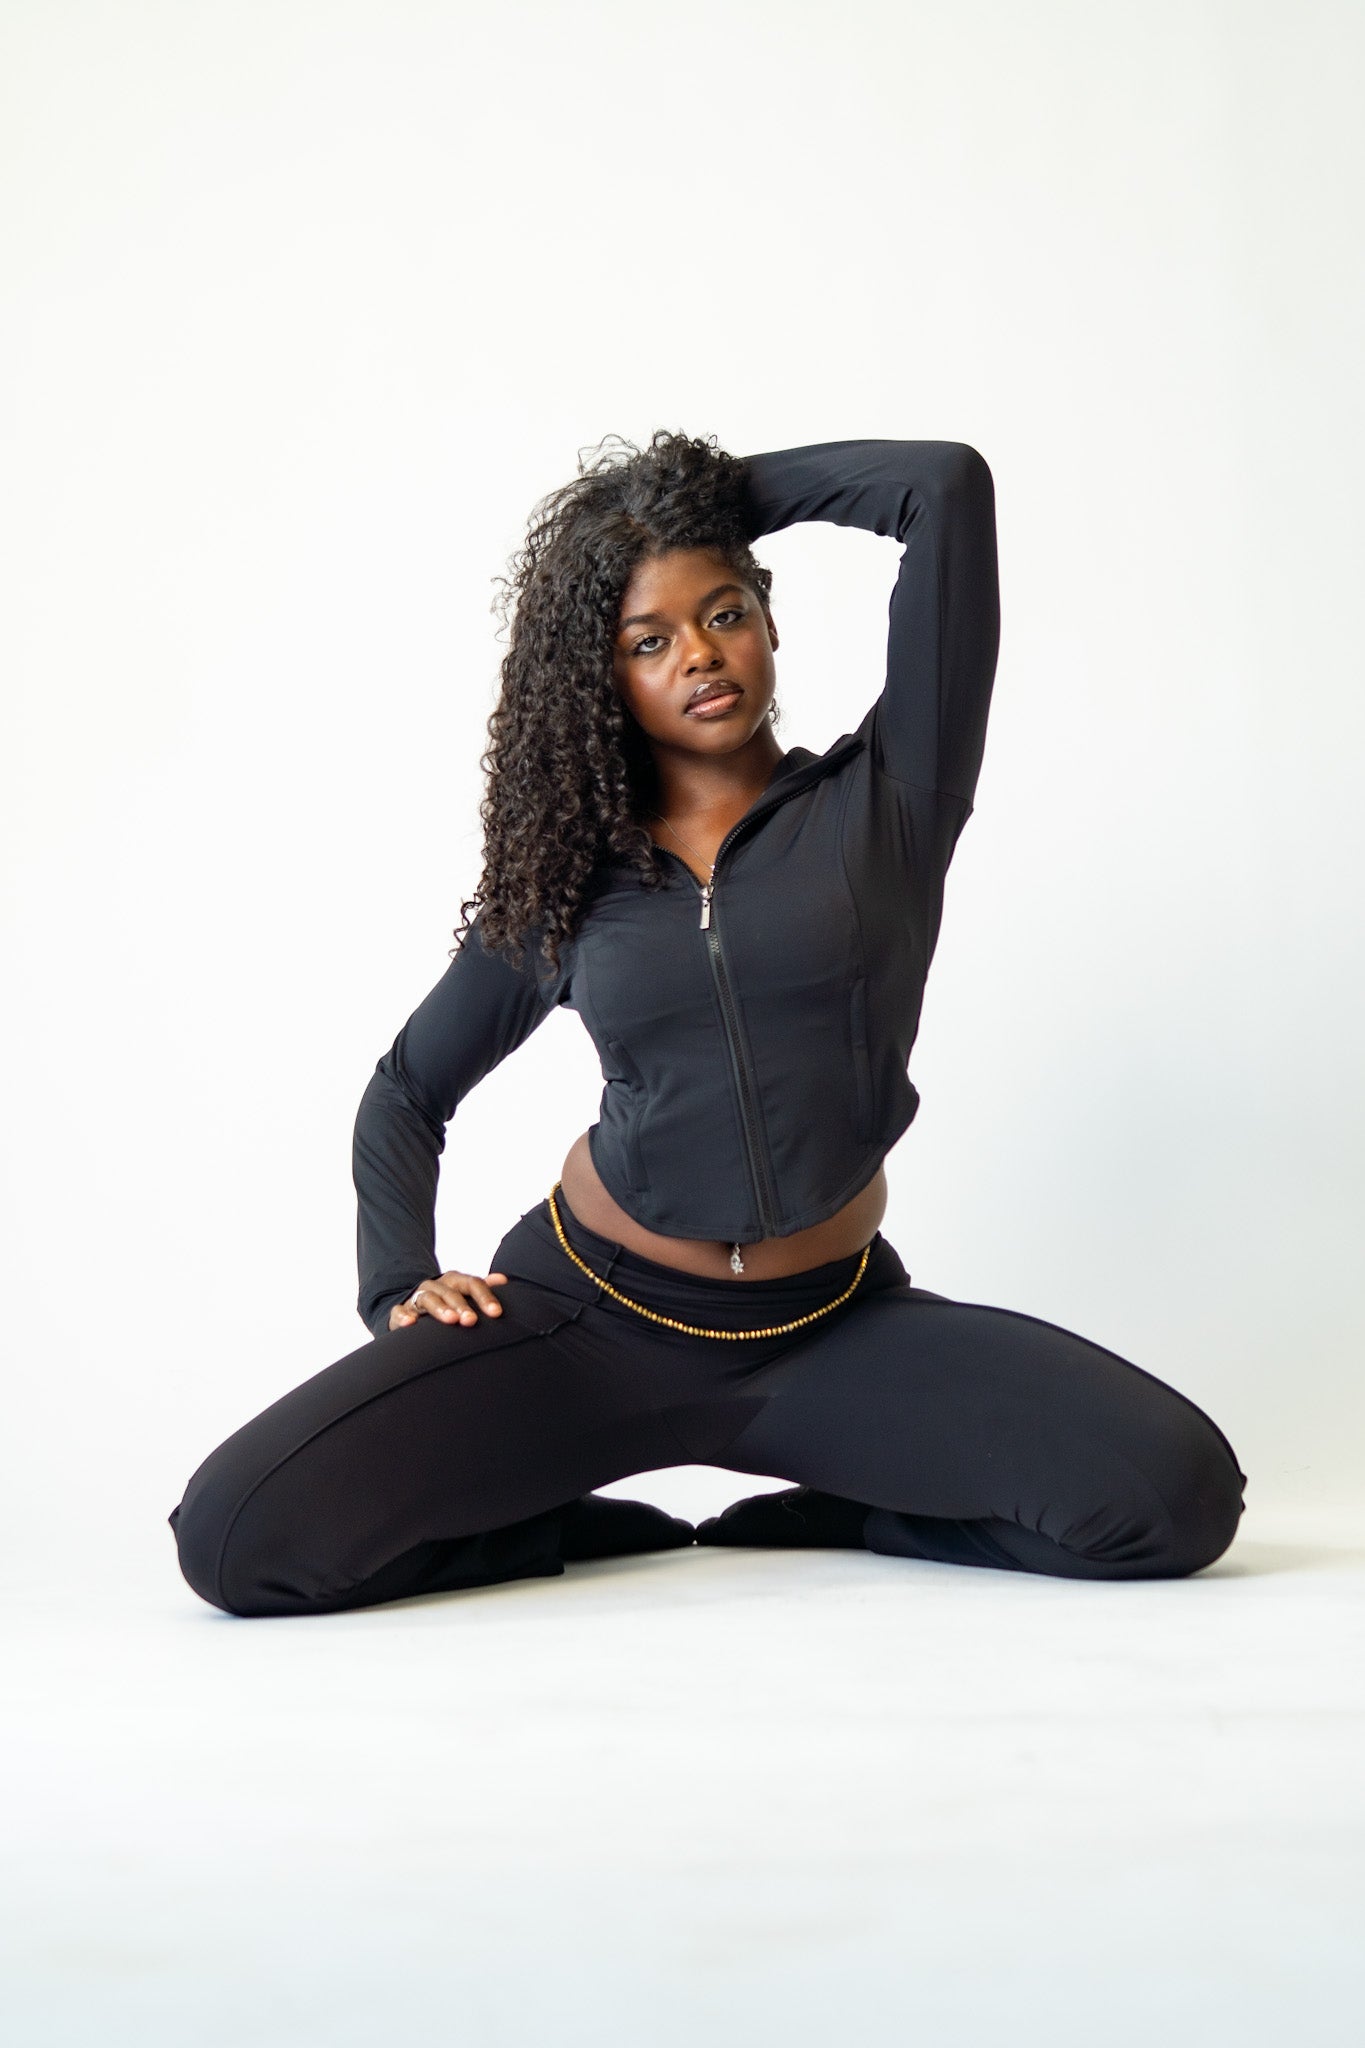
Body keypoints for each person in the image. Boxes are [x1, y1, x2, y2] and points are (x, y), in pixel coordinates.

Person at [167, 431, 1247, 1617]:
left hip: (830, 1329)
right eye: (648, 639)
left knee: (1176, 1498)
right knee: (234, 1537)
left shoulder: (892, 799)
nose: (699, 652)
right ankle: (559, 1527)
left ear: (770, 621)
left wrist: (678, 506)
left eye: (724, 611)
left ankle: (849, 1512)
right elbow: (406, 1091)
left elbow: (943, 488)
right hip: (585, 1321)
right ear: (604, 678)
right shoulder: (570, 884)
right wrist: (397, 1286)